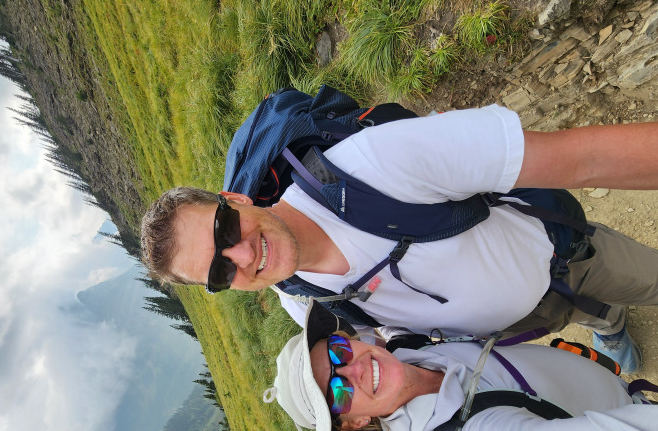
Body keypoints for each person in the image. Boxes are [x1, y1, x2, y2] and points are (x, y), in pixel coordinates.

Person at [140, 107, 658, 372]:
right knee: (584, 313)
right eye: (218, 271)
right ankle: (608, 323)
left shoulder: (376, 164)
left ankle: (609, 314)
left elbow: (585, 156)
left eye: (223, 230)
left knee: (647, 279)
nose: (242, 255)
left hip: (565, 256)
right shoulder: (305, 303)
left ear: (237, 199)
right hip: (516, 324)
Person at [264, 300, 658, 431]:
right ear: (350, 424)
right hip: (628, 416)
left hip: (607, 387)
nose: (352, 370)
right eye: (337, 391)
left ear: (347, 338)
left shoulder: (404, 349)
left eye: (337, 351)